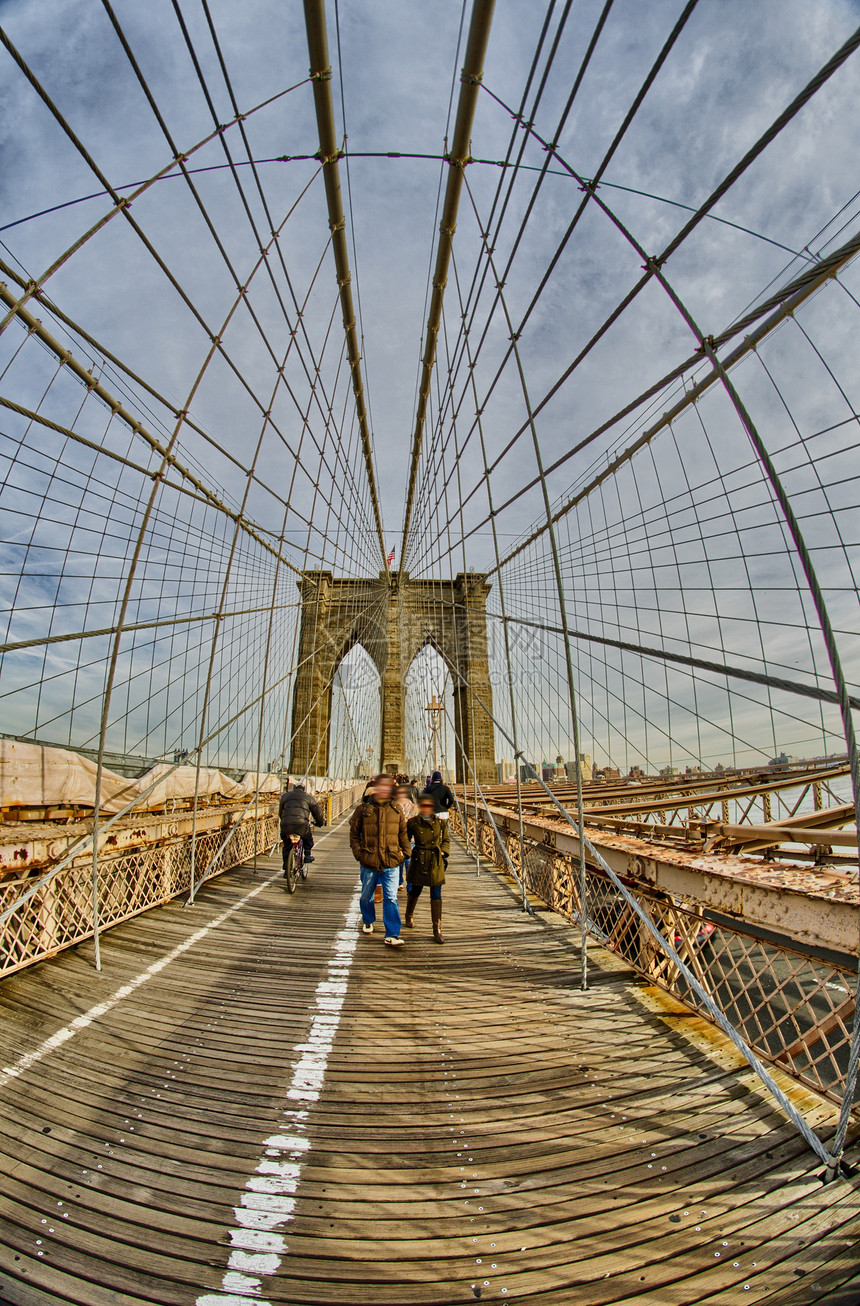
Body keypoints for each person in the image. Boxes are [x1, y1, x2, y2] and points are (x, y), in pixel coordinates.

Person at [349, 774, 411, 947]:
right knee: (366, 896)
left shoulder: (396, 809)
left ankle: (392, 934)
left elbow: (402, 834)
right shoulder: (362, 810)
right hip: (369, 860)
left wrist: (405, 853)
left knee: (390, 897)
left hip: (391, 861)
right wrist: (359, 854)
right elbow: (354, 834)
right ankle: (368, 920)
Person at [405, 795, 449, 943]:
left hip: (435, 861)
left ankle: (437, 929)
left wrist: (443, 851)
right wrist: (407, 852)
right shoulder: (412, 823)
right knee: (415, 890)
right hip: (419, 860)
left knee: (436, 894)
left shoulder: (440, 823)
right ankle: (409, 914)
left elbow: (446, 840)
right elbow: (405, 839)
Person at [279, 780, 325, 873]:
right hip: (301, 824)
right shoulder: (308, 797)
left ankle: (286, 867)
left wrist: (284, 820)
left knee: (287, 845)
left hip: (286, 825)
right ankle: (307, 855)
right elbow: (317, 813)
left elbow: (281, 812)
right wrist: (320, 823)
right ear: (303, 790)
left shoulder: (285, 796)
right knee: (307, 839)